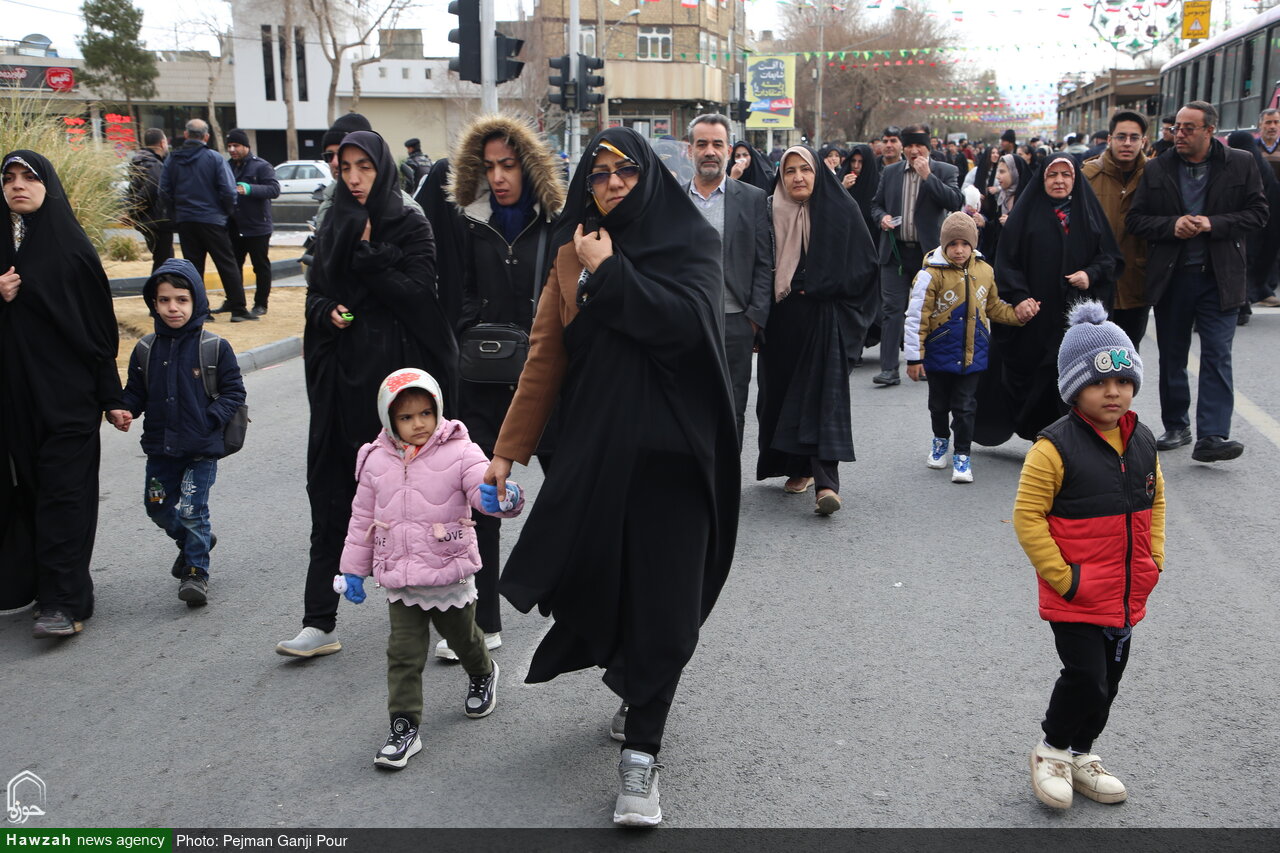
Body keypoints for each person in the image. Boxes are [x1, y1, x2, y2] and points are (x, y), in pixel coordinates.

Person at [483, 127, 739, 827]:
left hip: (678, 460)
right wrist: (507, 450)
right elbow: (545, 357)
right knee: (609, 587)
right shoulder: (572, 251)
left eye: (624, 169)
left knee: (667, 605)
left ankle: (641, 757)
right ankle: (635, 679)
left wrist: (613, 275)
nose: (613, 183)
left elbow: (686, 328)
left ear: (648, 173)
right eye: (598, 174)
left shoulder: (692, 242)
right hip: (600, 459)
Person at [276, 130, 458, 658]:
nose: (354, 178)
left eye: (365, 167)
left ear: (382, 169)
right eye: (346, 167)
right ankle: (318, 621)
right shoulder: (334, 220)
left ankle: (450, 619)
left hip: (399, 392)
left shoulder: (410, 222)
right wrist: (326, 311)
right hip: (342, 386)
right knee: (333, 501)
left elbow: (420, 297)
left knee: (422, 506)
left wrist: (370, 256)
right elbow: (316, 293)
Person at [1015, 300, 1163, 811]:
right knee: (1086, 677)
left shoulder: (1143, 441)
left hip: (1125, 591)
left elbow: (1156, 502)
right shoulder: (1052, 448)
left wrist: (1153, 560)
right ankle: (1052, 750)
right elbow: (1027, 517)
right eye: (1100, 383)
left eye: (1123, 381)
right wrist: (1065, 578)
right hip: (1076, 595)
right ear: (1075, 388)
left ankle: (1082, 753)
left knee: (1109, 685)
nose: (1113, 392)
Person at [335, 368, 521, 769]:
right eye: (406, 417)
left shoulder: (460, 450)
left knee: (463, 639)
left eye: (425, 413)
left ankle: (483, 672)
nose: (418, 423)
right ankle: (404, 726)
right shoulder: (374, 459)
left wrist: (501, 498)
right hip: (401, 578)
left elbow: (482, 487)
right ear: (389, 420)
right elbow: (362, 518)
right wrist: (353, 570)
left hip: (448, 570)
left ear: (438, 409)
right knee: (403, 653)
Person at [436, 113, 565, 661]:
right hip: (485, 381)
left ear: (527, 166)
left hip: (547, 378)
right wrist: (474, 328)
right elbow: (457, 289)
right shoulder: (470, 222)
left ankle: (570, 598)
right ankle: (484, 619)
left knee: (567, 493)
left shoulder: (556, 222)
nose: (498, 177)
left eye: (508, 164)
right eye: (489, 167)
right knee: (482, 498)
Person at [0, 150, 123, 634]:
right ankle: (39, 586)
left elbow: (98, 331)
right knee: (32, 492)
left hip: (69, 400)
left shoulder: (72, 249)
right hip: (17, 403)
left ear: (48, 184)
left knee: (64, 495)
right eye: (8, 178)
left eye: (29, 177)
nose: (17, 185)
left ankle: (64, 603)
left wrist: (111, 397)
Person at [1126, 101, 1268, 463]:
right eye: (1177, 128)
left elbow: (1258, 214)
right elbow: (1136, 220)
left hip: (1220, 277)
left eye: (1189, 128)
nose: (1179, 134)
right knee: (1173, 355)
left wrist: (1212, 224)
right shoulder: (1157, 168)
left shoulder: (1240, 163)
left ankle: (1213, 435)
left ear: (1210, 131)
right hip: (1173, 277)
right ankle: (1177, 425)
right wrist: (1171, 225)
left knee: (1217, 354)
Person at [110, 258, 246, 606]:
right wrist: (124, 409)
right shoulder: (145, 349)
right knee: (156, 507)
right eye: (165, 300)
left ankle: (196, 572)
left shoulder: (214, 346)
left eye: (182, 300)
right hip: (160, 448)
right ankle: (193, 542)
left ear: (196, 300)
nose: (173, 307)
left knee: (193, 511)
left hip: (201, 448)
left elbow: (234, 392)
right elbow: (135, 392)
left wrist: (210, 418)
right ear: (153, 303)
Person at [757, 145, 877, 513]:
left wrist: (820, 285)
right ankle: (797, 467)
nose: (798, 177)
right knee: (780, 396)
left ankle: (826, 483)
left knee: (823, 396)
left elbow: (865, 267)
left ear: (818, 173)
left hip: (825, 318)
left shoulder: (841, 209)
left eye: (805, 169)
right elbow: (756, 265)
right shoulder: (768, 211)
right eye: (789, 170)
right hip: (780, 320)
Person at [975, 154, 1122, 446]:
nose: (1059, 181)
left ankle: (1067, 440)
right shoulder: (1025, 215)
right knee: (1032, 376)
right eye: (1052, 175)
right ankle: (1041, 438)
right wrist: (1019, 297)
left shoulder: (1089, 213)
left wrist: (1090, 274)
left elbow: (1110, 258)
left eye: (1066, 175)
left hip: (1075, 317)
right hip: (1035, 317)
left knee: (1070, 376)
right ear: (1042, 179)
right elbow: (1006, 262)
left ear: (1075, 179)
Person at [904, 212, 1035, 483]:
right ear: (944, 245)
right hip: (939, 354)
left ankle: (962, 455)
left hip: (973, 354)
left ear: (973, 244)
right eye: (953, 244)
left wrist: (1017, 316)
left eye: (965, 243)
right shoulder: (930, 275)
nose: (959, 250)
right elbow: (917, 317)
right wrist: (914, 358)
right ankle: (940, 440)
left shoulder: (985, 271)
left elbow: (993, 306)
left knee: (965, 406)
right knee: (938, 405)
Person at [685, 114, 774, 447]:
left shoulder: (751, 198)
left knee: (732, 408)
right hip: (686, 322)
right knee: (689, 406)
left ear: (729, 150)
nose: (710, 151)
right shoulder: (673, 199)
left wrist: (754, 319)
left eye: (717, 144)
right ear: (689, 150)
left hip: (736, 322)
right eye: (702, 144)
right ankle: (695, 476)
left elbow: (764, 261)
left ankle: (726, 476)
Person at [869, 123, 962, 386]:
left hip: (929, 255)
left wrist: (928, 177)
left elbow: (954, 201)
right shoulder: (891, 172)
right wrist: (882, 218)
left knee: (931, 310)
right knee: (892, 310)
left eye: (918, 145)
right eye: (908, 145)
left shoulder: (945, 170)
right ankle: (889, 368)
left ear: (928, 147)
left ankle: (930, 363)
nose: (913, 151)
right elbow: (876, 204)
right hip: (895, 253)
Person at [160, 119, 257, 322]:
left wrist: (175, 213)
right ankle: (238, 309)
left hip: (186, 220)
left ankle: (200, 311)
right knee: (227, 264)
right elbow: (228, 190)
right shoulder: (214, 158)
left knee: (193, 267)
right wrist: (227, 212)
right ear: (206, 137)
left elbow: (164, 191)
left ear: (186, 135)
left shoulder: (172, 159)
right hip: (213, 219)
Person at [1082, 111, 1151, 348]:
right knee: (1097, 352)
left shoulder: (1154, 175)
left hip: (1138, 279)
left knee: (1129, 352)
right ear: (1110, 139)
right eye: (1121, 137)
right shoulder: (1088, 176)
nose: (1127, 143)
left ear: (1144, 141)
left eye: (1134, 137)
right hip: (1098, 281)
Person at [315, 114, 424, 231]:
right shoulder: (328, 204)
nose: (335, 162)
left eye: (342, 154)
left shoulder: (406, 213)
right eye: (329, 155)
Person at [225, 129, 280, 317]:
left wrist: (249, 189)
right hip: (234, 225)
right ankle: (233, 301)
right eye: (229, 146)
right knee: (233, 266)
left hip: (258, 226)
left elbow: (274, 190)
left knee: (260, 266)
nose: (232, 150)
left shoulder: (261, 166)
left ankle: (261, 304)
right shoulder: (226, 166)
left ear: (246, 146)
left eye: (236, 146)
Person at [127, 128, 173, 272]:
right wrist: (132, 211)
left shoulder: (139, 161)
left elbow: (133, 189)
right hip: (157, 220)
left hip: (147, 220)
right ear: (162, 143)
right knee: (164, 261)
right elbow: (151, 190)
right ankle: (158, 286)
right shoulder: (154, 164)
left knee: (163, 259)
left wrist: (132, 211)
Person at [977, 152, 1029, 258]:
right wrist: (985, 224)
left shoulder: (1028, 199)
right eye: (998, 171)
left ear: (1015, 172)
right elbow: (997, 227)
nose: (997, 176)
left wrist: (1013, 224)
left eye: (1002, 172)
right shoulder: (1003, 197)